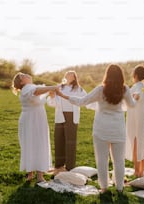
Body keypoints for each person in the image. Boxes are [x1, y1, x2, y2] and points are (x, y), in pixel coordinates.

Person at [56, 64, 137, 193]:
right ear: (121, 76)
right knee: (119, 161)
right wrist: (135, 98)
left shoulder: (100, 89)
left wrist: (63, 95)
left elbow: (82, 101)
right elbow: (132, 105)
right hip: (118, 130)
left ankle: (104, 188)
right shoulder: (125, 89)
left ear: (107, 75)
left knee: (102, 161)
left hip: (101, 130)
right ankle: (120, 188)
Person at [12, 72, 57, 183]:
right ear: (22, 82)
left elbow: (39, 92)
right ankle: (36, 175)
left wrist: (50, 91)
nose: (27, 74)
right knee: (36, 143)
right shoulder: (28, 88)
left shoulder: (31, 87)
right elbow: (36, 92)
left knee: (33, 143)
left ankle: (34, 174)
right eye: (23, 75)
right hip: (32, 119)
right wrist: (53, 87)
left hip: (36, 118)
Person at [47, 71, 87, 173]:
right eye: (67, 74)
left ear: (74, 77)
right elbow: (52, 103)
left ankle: (70, 166)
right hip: (60, 115)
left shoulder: (79, 89)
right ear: (65, 76)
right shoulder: (59, 87)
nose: (69, 75)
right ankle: (59, 165)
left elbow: (85, 99)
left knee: (70, 141)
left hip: (72, 116)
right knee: (58, 139)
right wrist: (51, 96)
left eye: (71, 74)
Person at [125, 65, 144, 177]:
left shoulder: (137, 86)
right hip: (140, 118)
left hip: (135, 119)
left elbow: (136, 96)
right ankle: (141, 171)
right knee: (142, 142)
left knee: (135, 143)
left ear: (135, 75)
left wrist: (133, 99)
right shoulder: (142, 85)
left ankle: (137, 171)